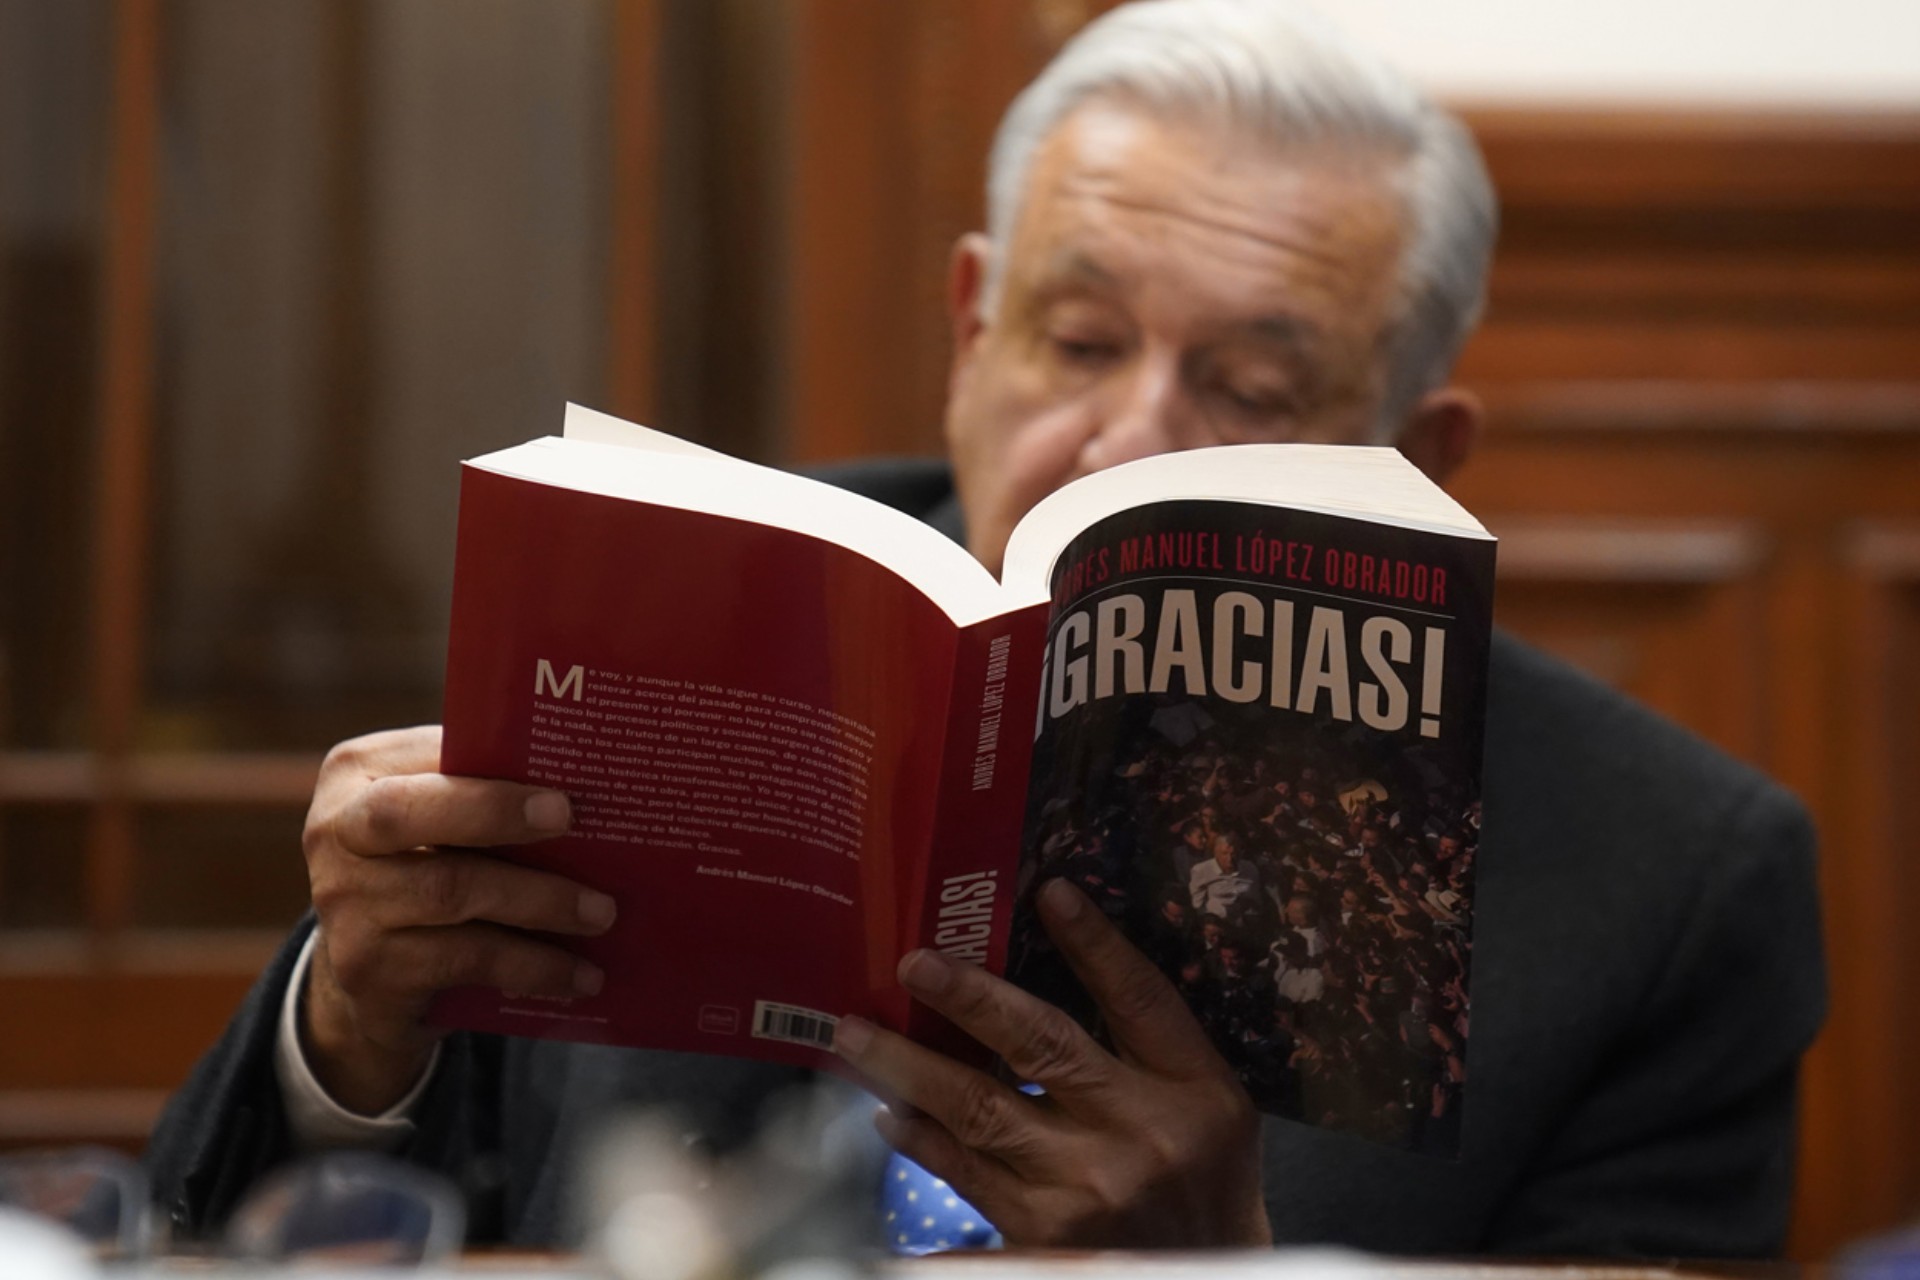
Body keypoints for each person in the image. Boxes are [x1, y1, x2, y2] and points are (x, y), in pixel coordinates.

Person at [146, 0, 1826, 1256]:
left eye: (1248, 386)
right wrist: (350, 1021)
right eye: (1078, 338)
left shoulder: (1668, 882)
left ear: (1417, 462)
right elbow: (208, 1225)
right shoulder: (678, 602)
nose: (1129, 440)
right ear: (970, 327)